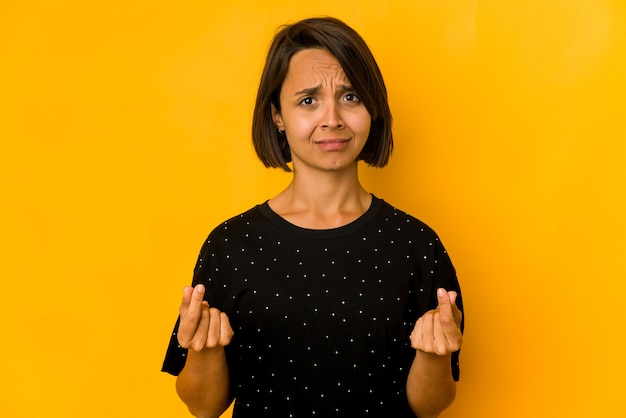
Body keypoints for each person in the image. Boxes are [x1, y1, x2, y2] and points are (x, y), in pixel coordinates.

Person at [162, 16, 464, 418]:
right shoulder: (231, 246)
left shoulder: (417, 244)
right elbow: (203, 407)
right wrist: (204, 351)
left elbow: (430, 406)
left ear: (372, 108)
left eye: (351, 97)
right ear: (277, 116)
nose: (333, 118)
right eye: (308, 100)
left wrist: (433, 354)